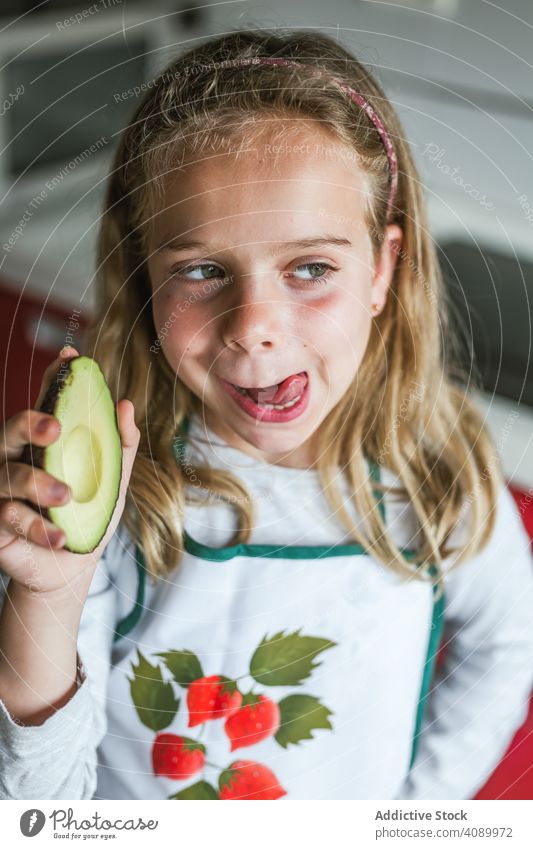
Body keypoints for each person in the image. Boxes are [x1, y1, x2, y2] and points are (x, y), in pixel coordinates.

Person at [1, 28, 533, 802]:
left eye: (310, 268)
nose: (253, 324)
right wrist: (46, 597)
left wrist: (421, 810)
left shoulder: (440, 472)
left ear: (382, 269)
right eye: (203, 270)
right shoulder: (110, 491)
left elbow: (504, 644)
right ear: (145, 274)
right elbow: (39, 807)